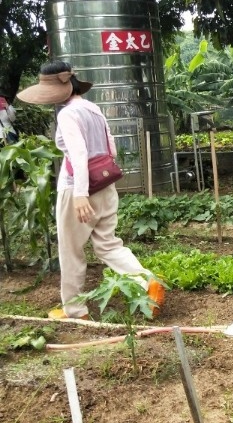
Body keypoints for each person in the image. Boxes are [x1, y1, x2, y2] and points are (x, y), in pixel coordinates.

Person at [17, 61, 165, 320]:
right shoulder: (93, 109)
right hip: (106, 186)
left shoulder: (67, 114)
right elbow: (112, 149)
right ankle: (147, 282)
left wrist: (80, 193)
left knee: (71, 251)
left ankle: (74, 310)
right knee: (108, 244)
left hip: (78, 191)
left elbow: (78, 153)